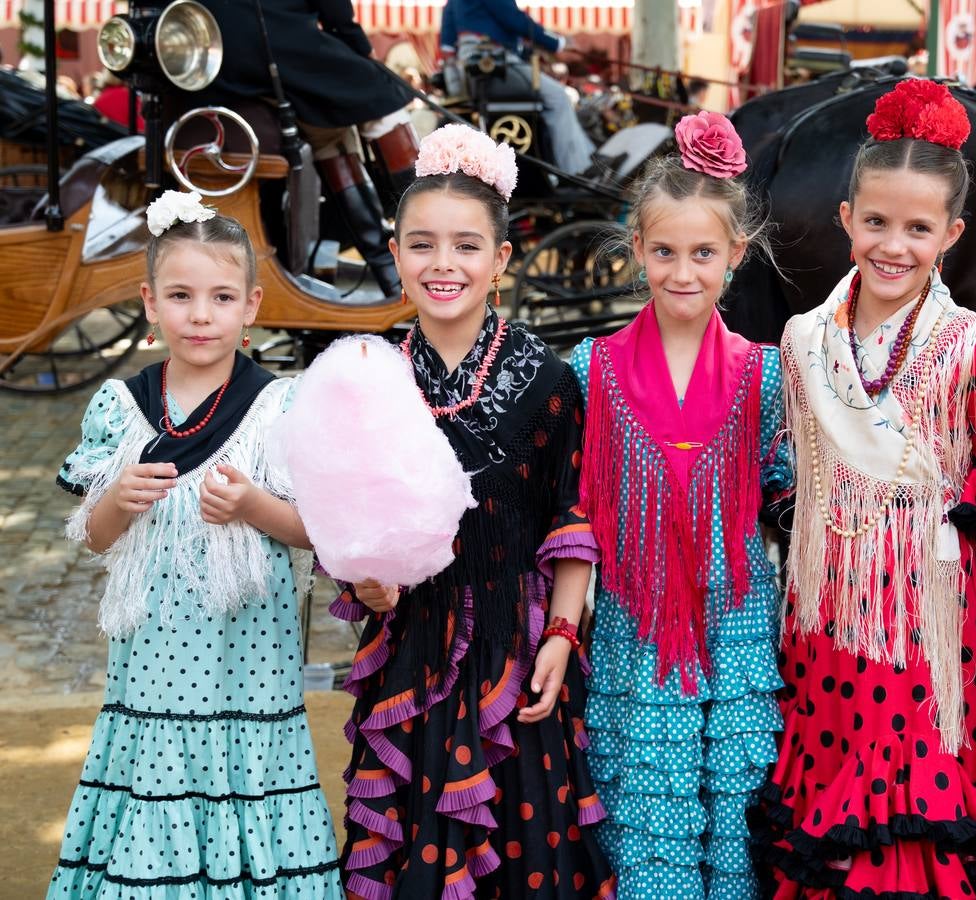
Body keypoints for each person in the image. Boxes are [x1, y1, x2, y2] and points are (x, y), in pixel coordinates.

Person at [330, 123, 616, 899]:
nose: (442, 263)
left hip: (515, 648)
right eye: (421, 245)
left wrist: (561, 633)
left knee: (525, 845)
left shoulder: (548, 379)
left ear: (500, 261)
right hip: (411, 647)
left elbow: (570, 517)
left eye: (465, 245)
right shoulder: (369, 376)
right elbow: (344, 516)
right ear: (394, 257)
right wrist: (363, 582)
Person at [751, 79, 976, 898]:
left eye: (917, 227)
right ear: (845, 221)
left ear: (951, 234)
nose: (892, 244)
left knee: (918, 783)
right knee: (832, 772)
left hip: (929, 626)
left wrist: (934, 571)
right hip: (824, 614)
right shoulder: (801, 344)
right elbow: (785, 467)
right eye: (875, 222)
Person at [46, 191, 341, 898]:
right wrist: (115, 500)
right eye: (180, 295)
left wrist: (254, 506)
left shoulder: (281, 406)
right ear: (150, 303)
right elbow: (91, 538)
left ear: (251, 305)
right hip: (151, 673)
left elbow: (319, 532)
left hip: (250, 672)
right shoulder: (122, 406)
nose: (200, 315)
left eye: (220, 296)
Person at [571, 111, 789, 897]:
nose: (682, 271)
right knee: (643, 797)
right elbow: (565, 509)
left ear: (736, 255)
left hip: (735, 629)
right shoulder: (590, 370)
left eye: (703, 253)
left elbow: (788, 499)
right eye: (663, 252)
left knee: (735, 798)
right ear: (637, 251)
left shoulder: (766, 376)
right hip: (635, 624)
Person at [197, 0, 422, 297]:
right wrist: (362, 50)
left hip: (218, 63)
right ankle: (417, 247)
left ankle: (388, 266)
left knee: (330, 136)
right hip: (288, 48)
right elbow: (337, 16)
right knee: (383, 102)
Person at [440, 0, 596, 174]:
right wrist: (557, 43)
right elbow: (515, 19)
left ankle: (586, 158)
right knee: (558, 96)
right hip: (495, 61)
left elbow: (447, 43)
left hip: (474, 64)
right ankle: (578, 169)